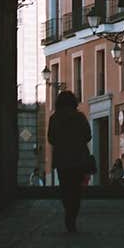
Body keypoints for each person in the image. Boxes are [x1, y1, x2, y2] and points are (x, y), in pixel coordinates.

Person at [47, 89, 92, 233]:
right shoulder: (80, 117)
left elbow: (51, 138)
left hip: (62, 160)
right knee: (76, 190)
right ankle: (72, 215)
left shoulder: (54, 118)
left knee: (65, 188)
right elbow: (88, 136)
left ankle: (68, 212)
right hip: (78, 159)